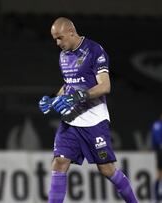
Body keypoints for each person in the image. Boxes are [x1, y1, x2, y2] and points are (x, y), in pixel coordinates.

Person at [38, 17, 139, 203]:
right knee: (59, 163)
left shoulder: (94, 50)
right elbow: (68, 85)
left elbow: (105, 86)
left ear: (71, 32)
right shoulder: (63, 55)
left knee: (107, 169)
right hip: (71, 121)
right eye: (55, 39)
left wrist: (77, 96)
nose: (58, 43)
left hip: (94, 120)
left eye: (60, 38)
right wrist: (54, 100)